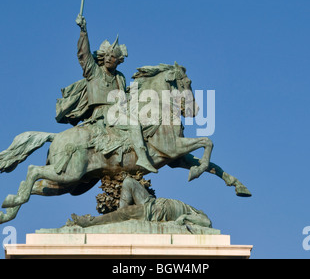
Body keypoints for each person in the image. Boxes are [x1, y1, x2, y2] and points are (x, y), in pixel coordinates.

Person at [55, 14, 157, 173]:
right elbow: (84, 55)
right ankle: (142, 158)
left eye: (113, 56)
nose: (109, 58)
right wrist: (83, 31)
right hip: (103, 115)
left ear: (119, 60)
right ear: (103, 57)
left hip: (118, 113)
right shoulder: (94, 72)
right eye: (107, 55)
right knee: (134, 124)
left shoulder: (119, 77)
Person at [69, 177, 212, 228]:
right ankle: (118, 218)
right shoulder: (194, 210)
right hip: (154, 202)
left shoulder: (197, 217)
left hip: (158, 212)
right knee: (128, 181)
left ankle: (91, 222)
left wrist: (185, 218)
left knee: (127, 212)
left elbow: (207, 223)